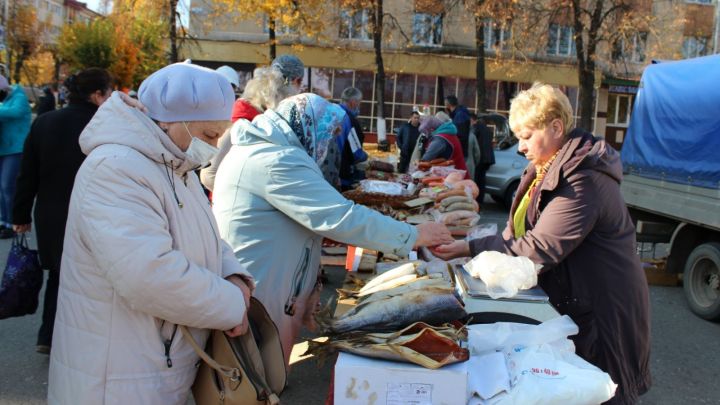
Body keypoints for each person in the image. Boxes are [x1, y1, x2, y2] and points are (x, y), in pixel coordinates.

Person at [47, 63, 254, 405]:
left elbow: (205, 234)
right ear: (171, 120)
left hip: (153, 364)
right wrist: (231, 304)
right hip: (116, 376)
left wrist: (233, 275)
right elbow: (148, 274)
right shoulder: (116, 168)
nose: (215, 148)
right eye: (209, 136)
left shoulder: (173, 163)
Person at [432, 83, 651, 404]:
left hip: (605, 309)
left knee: (602, 391)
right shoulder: (542, 170)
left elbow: (540, 247)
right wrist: (468, 249)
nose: (520, 146)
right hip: (577, 302)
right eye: (517, 136)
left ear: (556, 127)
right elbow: (514, 235)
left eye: (526, 135)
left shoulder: (583, 179)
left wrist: (475, 254)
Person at [212, 93, 454, 368]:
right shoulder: (275, 159)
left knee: (264, 376)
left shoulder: (273, 149)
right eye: (326, 133)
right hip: (259, 290)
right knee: (250, 377)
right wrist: (412, 235)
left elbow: (306, 227)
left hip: (266, 287)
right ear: (307, 125)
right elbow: (338, 216)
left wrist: (310, 286)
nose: (326, 142)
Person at [12, 68, 113, 355]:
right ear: (97, 95)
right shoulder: (103, 125)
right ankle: (81, 339)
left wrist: (20, 214)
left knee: (57, 274)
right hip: (93, 212)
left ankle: (48, 334)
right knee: (91, 277)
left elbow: (27, 173)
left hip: (50, 214)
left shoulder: (45, 122)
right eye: (109, 92)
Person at [201, 65, 299, 192]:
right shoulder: (240, 123)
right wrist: (243, 196)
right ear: (272, 98)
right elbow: (209, 174)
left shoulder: (256, 121)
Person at [0, 74, 32, 238]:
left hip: (16, 148)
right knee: (2, 188)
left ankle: (13, 223)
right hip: (3, 148)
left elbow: (14, 113)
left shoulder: (19, 98)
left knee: (8, 186)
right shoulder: (4, 100)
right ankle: (3, 221)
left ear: (4, 89)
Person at [419, 112, 469, 177]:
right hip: (458, 173)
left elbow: (426, 158)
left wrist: (419, 164)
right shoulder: (449, 132)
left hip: (455, 177)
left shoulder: (440, 139)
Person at [338, 86, 368, 190]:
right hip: (342, 173)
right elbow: (356, 153)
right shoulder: (348, 119)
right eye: (359, 102)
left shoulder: (331, 112)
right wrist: (365, 156)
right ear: (353, 102)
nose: (359, 105)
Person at [470, 112, 495, 204]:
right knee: (482, 180)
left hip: (480, 158)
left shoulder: (476, 128)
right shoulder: (487, 129)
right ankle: (481, 201)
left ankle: (477, 200)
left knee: (477, 180)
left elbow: (474, 144)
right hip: (488, 158)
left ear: (473, 119)